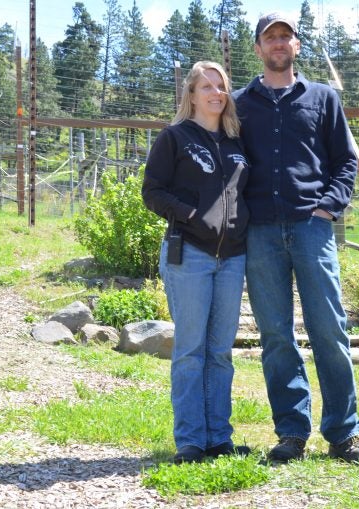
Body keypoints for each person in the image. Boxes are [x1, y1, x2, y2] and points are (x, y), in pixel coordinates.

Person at [232, 13, 359, 465]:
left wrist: (327, 207)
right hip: (260, 232)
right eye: (269, 38)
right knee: (276, 334)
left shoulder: (323, 98)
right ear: (257, 48)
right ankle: (291, 434)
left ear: (297, 46)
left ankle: (343, 434)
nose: (278, 44)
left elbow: (344, 161)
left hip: (312, 228)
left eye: (285, 37)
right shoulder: (240, 103)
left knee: (329, 329)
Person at [142, 61, 251, 464]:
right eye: (205, 86)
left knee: (220, 351)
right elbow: (152, 192)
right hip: (188, 254)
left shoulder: (237, 141)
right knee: (191, 349)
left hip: (233, 258)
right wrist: (190, 216)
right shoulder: (175, 138)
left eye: (220, 86)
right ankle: (190, 440)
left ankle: (219, 437)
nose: (214, 93)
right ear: (190, 95)